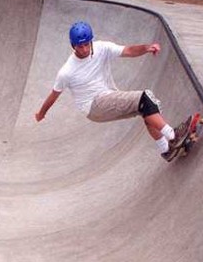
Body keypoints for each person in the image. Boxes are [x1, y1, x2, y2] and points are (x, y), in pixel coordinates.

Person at [35, 21, 188, 161]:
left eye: (87, 45)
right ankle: (173, 136)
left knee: (148, 110)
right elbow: (54, 95)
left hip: (107, 97)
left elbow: (128, 50)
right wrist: (41, 113)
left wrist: (147, 48)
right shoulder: (67, 71)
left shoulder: (102, 48)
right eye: (79, 46)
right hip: (93, 106)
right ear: (72, 45)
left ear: (91, 41)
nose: (84, 49)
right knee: (144, 98)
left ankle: (166, 149)